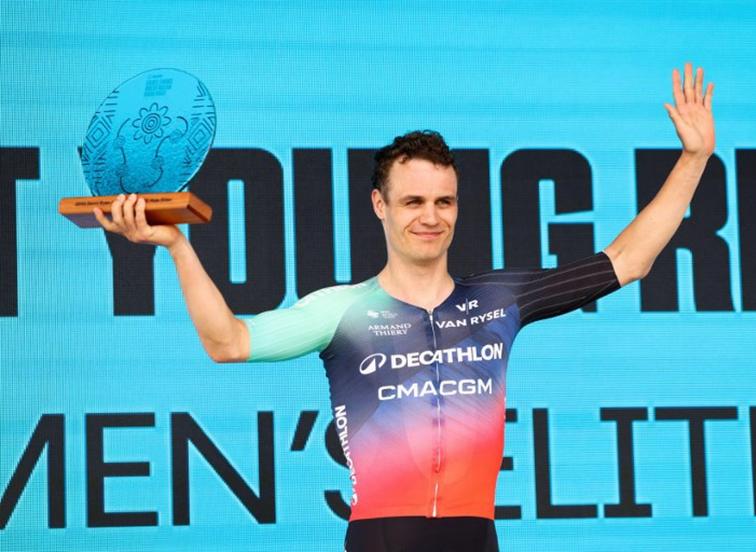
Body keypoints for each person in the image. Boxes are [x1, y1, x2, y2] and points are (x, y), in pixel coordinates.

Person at [95, 62, 715, 551]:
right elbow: (226, 341)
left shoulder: (499, 299)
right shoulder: (341, 310)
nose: (430, 216)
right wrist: (175, 245)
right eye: (413, 201)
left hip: (477, 537)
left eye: (444, 202)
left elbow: (625, 262)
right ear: (379, 206)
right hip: (381, 539)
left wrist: (693, 159)